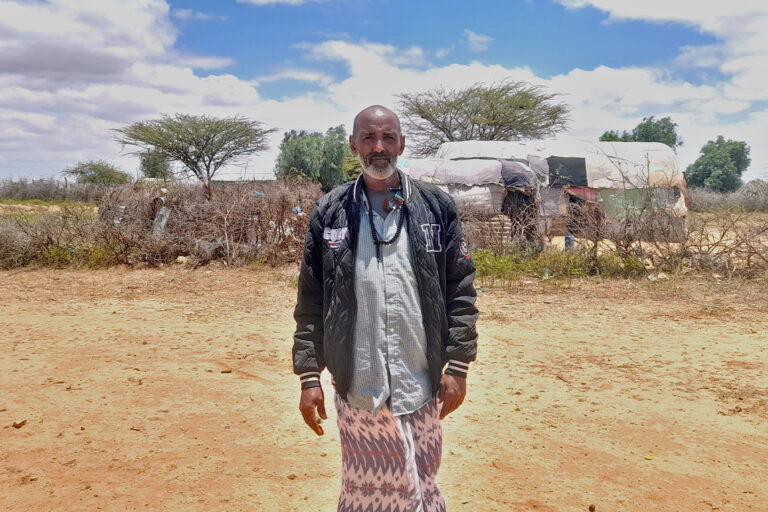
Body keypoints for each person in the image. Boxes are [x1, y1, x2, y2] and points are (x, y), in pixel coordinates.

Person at [292, 105, 479, 512]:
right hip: (358, 384)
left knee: (421, 486)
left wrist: (458, 365)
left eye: (388, 137)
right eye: (370, 138)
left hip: (421, 381)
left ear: (402, 143)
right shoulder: (330, 211)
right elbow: (311, 300)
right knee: (364, 492)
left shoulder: (436, 206)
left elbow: (460, 288)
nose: (379, 147)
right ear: (354, 144)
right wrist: (309, 376)